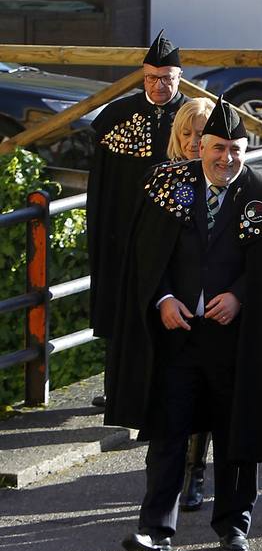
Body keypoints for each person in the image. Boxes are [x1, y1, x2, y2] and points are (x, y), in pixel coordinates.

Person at [108, 99, 262, 551]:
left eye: (236, 149)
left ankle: (234, 527)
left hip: (239, 342)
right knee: (167, 433)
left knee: (238, 436)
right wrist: (161, 299)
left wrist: (241, 295)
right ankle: (155, 528)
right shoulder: (168, 188)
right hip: (178, 337)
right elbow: (144, 256)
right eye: (218, 148)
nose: (227, 159)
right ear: (200, 148)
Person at [88, 31, 189, 372]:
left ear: (179, 78)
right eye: (151, 78)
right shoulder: (117, 117)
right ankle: (117, 386)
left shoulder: (193, 117)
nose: (159, 86)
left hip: (177, 232)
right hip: (125, 230)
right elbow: (101, 185)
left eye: (166, 79)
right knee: (122, 308)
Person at [163, 98, 216, 513]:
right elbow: (147, 256)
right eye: (189, 134)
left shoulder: (227, 183)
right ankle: (168, 479)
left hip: (213, 311)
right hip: (171, 314)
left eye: (204, 134)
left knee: (208, 399)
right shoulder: (163, 184)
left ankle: (195, 472)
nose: (196, 142)